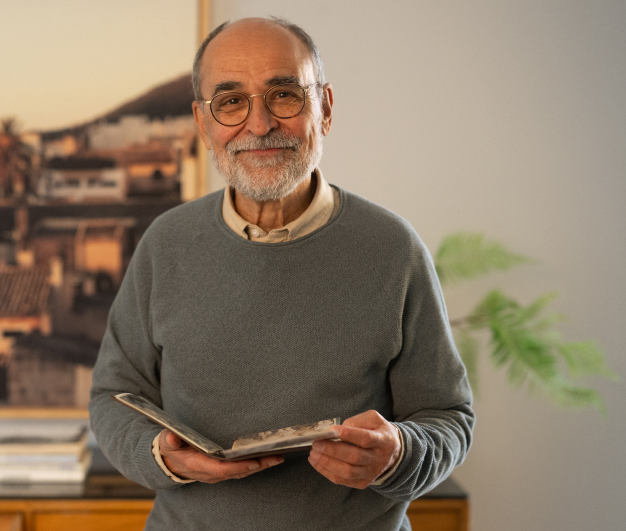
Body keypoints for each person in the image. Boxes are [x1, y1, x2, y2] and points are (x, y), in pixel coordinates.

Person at [88, 16, 474, 531]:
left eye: (284, 94)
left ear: (326, 108)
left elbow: (449, 418)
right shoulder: (166, 244)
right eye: (231, 102)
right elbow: (113, 399)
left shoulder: (393, 249)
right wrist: (160, 454)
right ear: (204, 124)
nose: (260, 124)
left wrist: (398, 453)